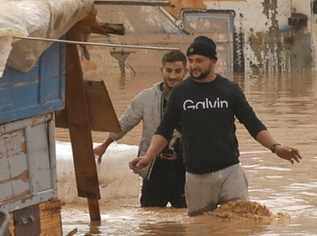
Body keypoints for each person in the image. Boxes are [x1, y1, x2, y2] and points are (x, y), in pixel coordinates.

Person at [129, 36, 301, 216]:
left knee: (241, 224)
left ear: (213, 61)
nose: (194, 65)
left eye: (199, 61)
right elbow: (164, 131)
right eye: (191, 61)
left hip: (230, 172)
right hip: (197, 177)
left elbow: (253, 124)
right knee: (201, 232)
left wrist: (276, 147)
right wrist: (148, 157)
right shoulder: (180, 92)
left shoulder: (230, 90)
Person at [95, 50, 188, 208]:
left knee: (189, 221)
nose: (173, 76)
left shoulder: (194, 98)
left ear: (186, 72)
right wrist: (105, 145)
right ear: (161, 71)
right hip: (154, 168)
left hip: (186, 168)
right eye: (169, 70)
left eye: (178, 71)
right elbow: (125, 123)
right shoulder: (146, 98)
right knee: (150, 221)